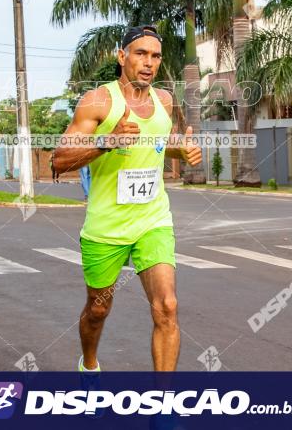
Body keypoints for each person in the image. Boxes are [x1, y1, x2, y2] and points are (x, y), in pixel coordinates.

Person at [51, 25, 202, 372]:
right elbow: (58, 160)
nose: (148, 63)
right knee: (98, 310)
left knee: (167, 306)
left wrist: (184, 150)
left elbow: (160, 145)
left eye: (155, 56)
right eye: (140, 54)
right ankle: (89, 364)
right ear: (122, 57)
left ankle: (164, 407)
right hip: (107, 225)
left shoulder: (165, 100)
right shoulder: (98, 102)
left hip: (153, 219)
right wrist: (107, 142)